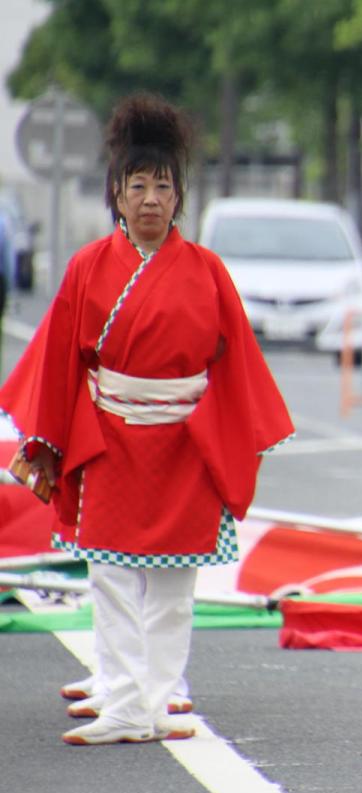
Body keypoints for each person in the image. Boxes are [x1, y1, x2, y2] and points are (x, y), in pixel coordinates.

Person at [0, 93, 294, 746]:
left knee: (172, 584)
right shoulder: (87, 267)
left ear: (179, 195)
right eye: (139, 185)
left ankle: (157, 700)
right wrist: (48, 439)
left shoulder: (208, 271)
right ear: (118, 193)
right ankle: (127, 700)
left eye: (164, 185)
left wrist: (239, 438)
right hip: (111, 441)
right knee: (108, 576)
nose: (153, 198)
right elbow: (58, 362)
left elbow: (238, 363)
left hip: (183, 443)